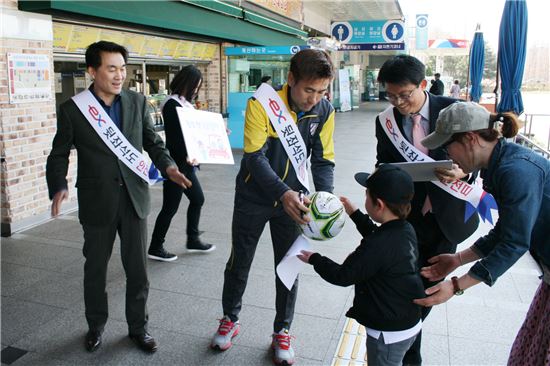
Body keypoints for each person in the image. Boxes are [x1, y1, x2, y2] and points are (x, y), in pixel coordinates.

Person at [46, 41, 192, 354]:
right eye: (111, 68)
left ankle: (138, 328)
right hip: (97, 201)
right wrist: (58, 184)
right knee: (95, 270)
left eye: (122, 68)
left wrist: (168, 167)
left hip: (135, 199)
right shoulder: (74, 109)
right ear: (92, 71)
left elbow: (153, 144)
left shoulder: (137, 102)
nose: (119, 75)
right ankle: (95, 326)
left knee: (138, 270)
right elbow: (58, 153)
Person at [210, 49, 336, 365]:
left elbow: (323, 159)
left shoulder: (324, 111)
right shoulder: (261, 104)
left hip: (295, 203)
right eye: (309, 90)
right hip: (254, 198)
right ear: (291, 79)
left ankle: (282, 330)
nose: (314, 98)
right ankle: (230, 318)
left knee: (289, 266)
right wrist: (283, 193)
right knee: (240, 261)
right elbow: (254, 156)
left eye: (321, 91)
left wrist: (324, 200)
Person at [417, 102, 550, 366]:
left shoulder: (517, 171)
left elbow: (514, 243)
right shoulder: (498, 166)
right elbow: (506, 230)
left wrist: (456, 286)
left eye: (447, 146)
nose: (447, 154)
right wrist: (458, 259)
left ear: (470, 139)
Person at [375, 55, 479, 365]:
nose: (398, 102)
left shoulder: (454, 110)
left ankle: (406, 352)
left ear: (422, 85)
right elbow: (383, 160)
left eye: (404, 94)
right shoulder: (386, 121)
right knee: (407, 290)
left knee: (427, 292)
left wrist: (464, 172)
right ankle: (409, 358)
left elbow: (479, 153)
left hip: (448, 218)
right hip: (409, 216)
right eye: (390, 95)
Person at [298, 165, 425, 366]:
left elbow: (343, 276)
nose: (364, 199)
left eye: (367, 195)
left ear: (379, 205)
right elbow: (377, 236)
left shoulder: (376, 246)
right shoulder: (404, 229)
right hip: (407, 319)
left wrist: (315, 259)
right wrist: (355, 213)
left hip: (387, 332)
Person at [147, 65, 215, 262]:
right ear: (187, 82)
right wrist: (188, 153)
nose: (196, 90)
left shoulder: (185, 104)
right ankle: (156, 246)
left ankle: (192, 239)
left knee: (197, 199)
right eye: (195, 86)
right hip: (175, 165)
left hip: (187, 165)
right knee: (170, 207)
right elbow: (176, 138)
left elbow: (196, 131)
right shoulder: (171, 104)